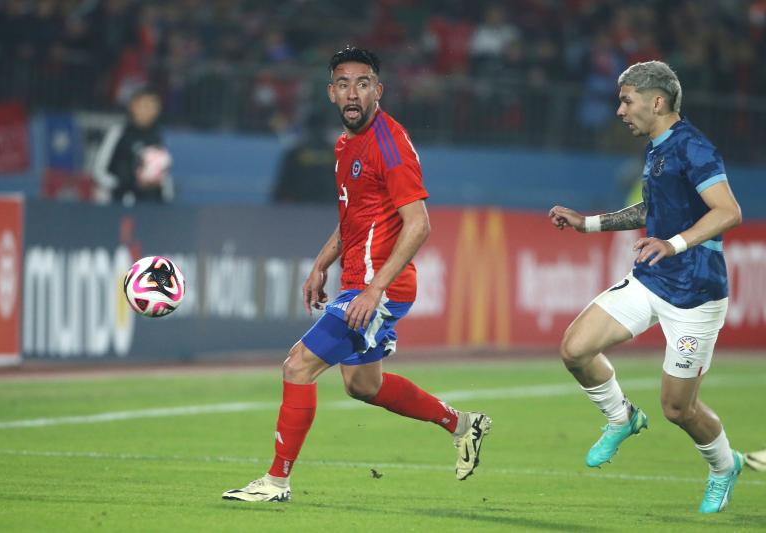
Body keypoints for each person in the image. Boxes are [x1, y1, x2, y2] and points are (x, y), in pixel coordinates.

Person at [223, 46, 492, 503]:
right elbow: (356, 217)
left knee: (298, 366)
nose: (353, 93)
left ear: (378, 91)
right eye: (344, 84)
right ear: (331, 93)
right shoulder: (346, 143)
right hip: (359, 282)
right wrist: (322, 262)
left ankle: (276, 482)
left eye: (363, 84)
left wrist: (373, 290)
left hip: (379, 287)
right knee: (363, 385)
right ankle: (462, 424)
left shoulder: (390, 145)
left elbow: (419, 224)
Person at [548, 61, 744, 513]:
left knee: (678, 409)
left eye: (626, 100)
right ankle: (622, 417)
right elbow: (651, 210)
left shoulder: (693, 147)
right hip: (653, 278)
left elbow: (728, 211)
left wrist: (672, 244)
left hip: (696, 294)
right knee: (575, 349)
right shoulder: (658, 148)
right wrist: (588, 224)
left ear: (657, 102)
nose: (620, 111)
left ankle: (724, 466)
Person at [93, 86, 174, 206]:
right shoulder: (118, 133)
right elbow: (98, 171)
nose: (148, 111)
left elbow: (164, 175)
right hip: (115, 204)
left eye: (153, 107)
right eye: (144, 105)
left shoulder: (158, 138)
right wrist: (122, 185)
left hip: (148, 205)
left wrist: (162, 191)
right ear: (133, 106)